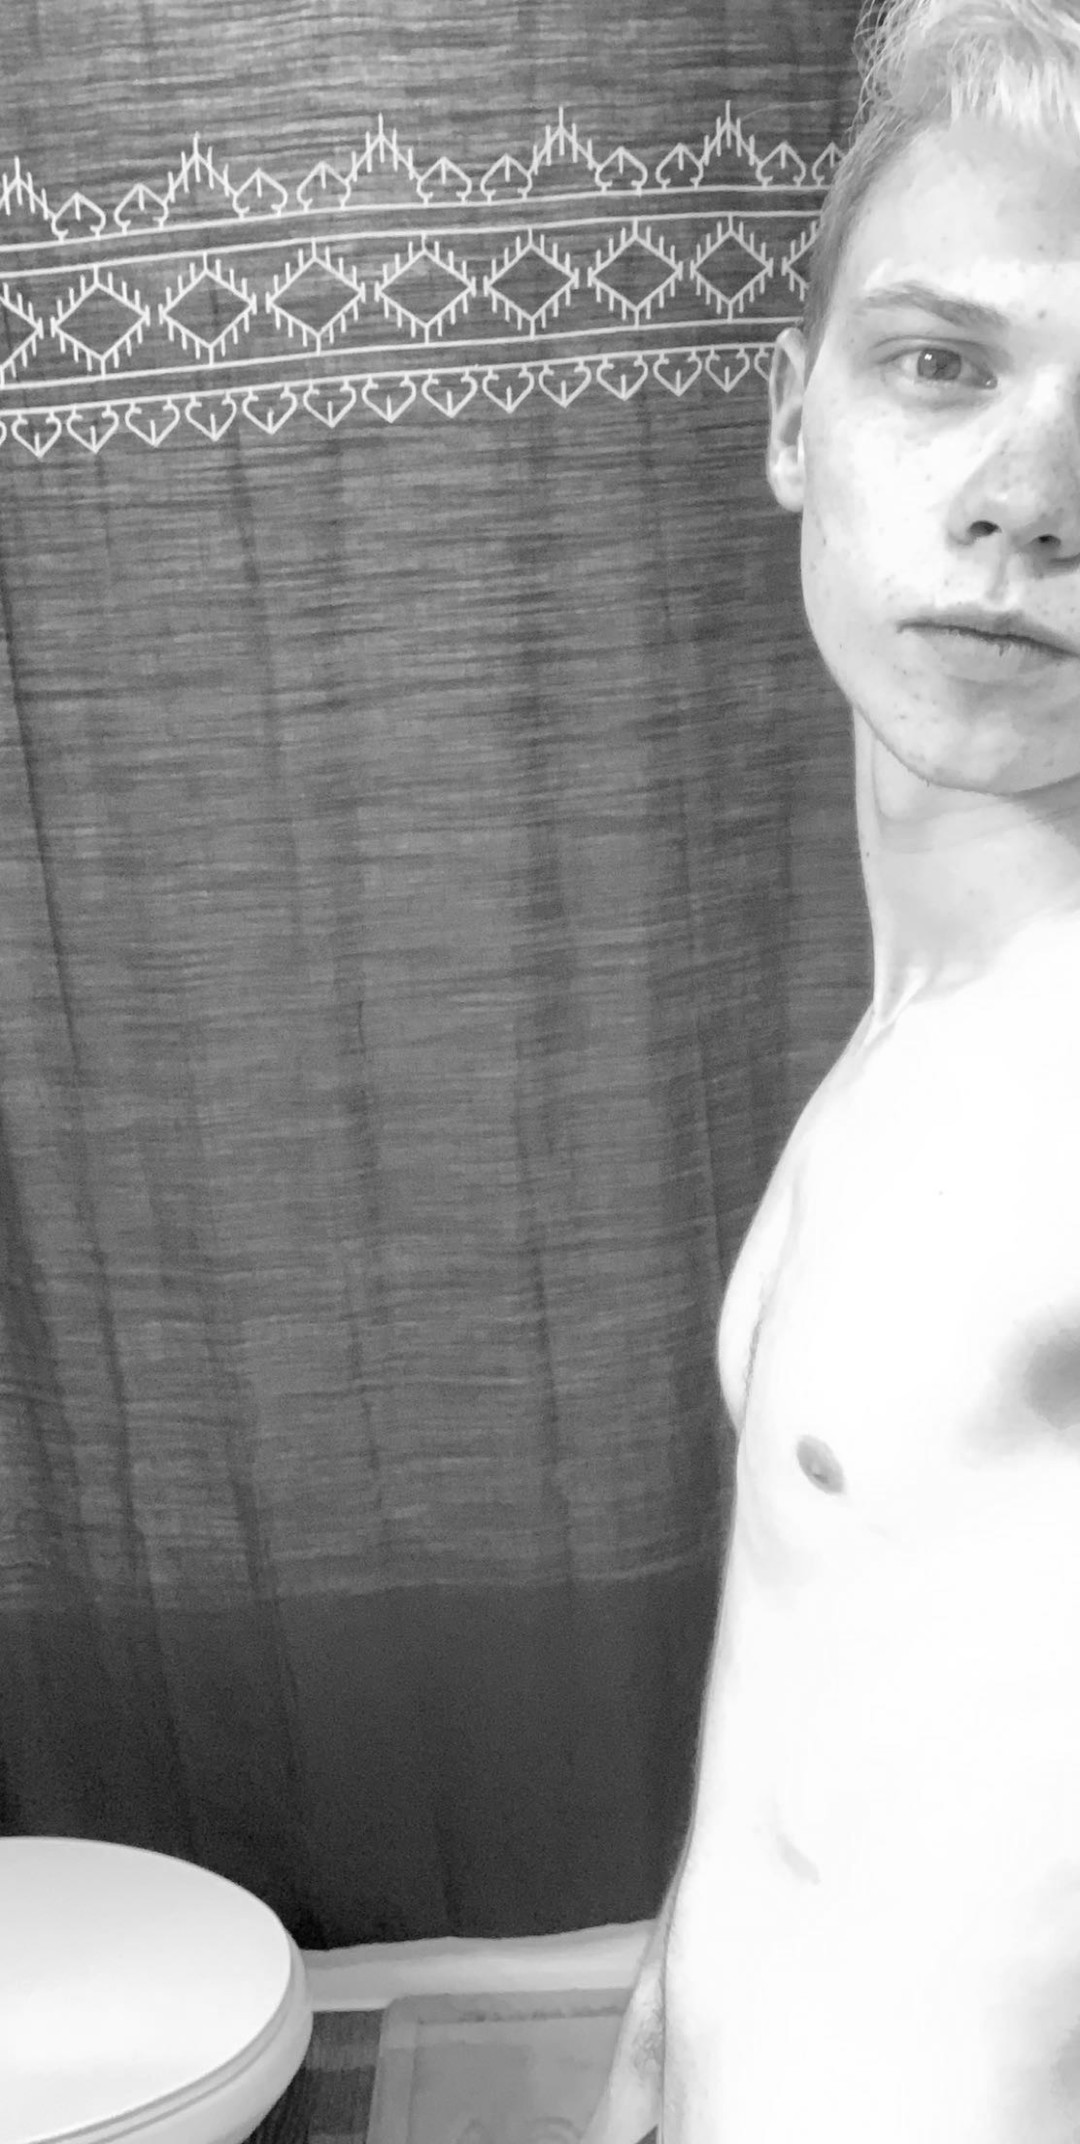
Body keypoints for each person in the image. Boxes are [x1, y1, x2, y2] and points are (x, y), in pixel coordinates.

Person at [584, 0, 1080, 2137]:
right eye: (942, 363)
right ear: (795, 417)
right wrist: (657, 2033)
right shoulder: (927, 1020)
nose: (1028, 504)